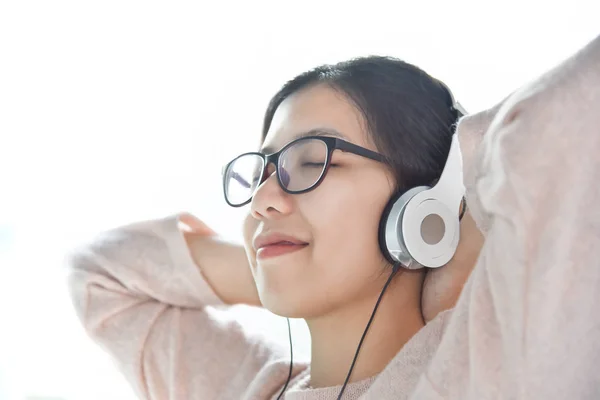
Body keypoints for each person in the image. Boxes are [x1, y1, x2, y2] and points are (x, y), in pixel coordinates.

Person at [67, 33, 600, 400]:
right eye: (263, 172)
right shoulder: (247, 386)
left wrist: (455, 251)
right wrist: (273, 266)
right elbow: (100, 273)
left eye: (313, 161)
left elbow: (557, 125)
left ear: (420, 210)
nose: (262, 200)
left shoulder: (485, 360)